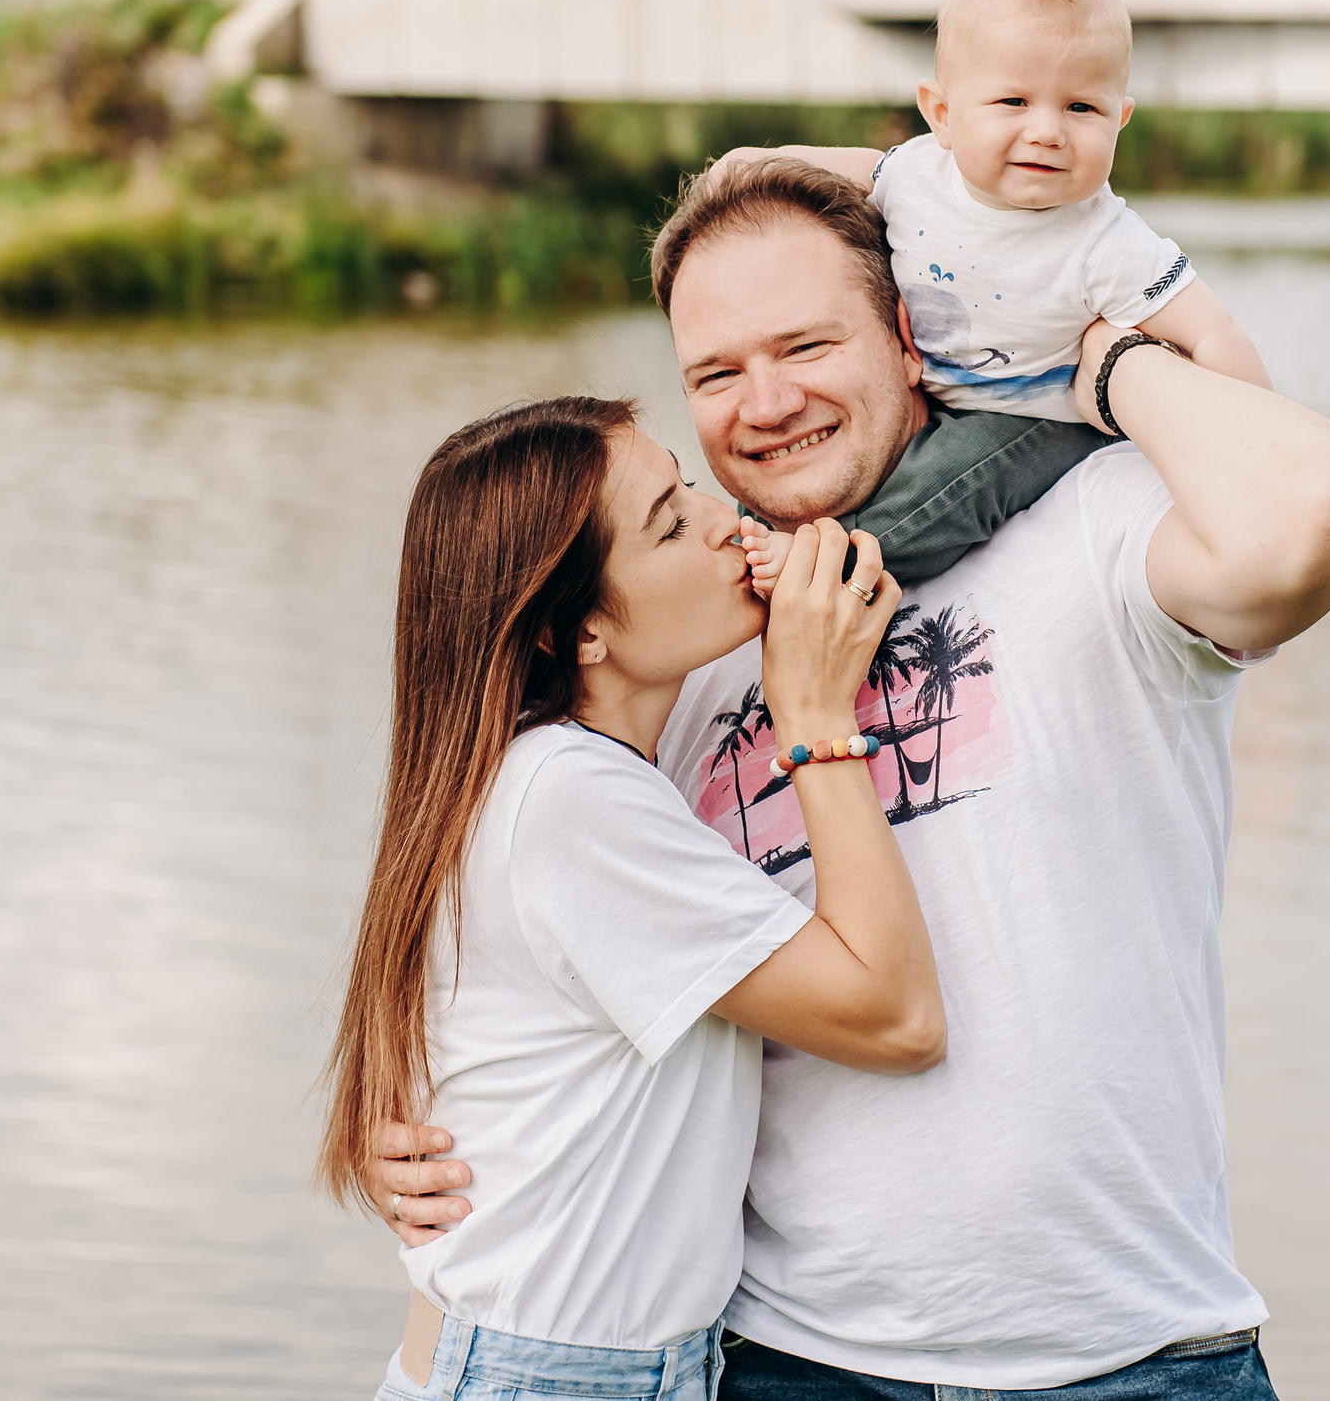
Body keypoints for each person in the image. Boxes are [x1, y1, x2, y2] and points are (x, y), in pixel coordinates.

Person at [369, 160, 1330, 1398]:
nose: (766, 402)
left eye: (806, 343)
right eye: (714, 371)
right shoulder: (686, 632)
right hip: (783, 1357)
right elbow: (506, 924)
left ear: (913, 340)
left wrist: (1097, 359)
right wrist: (440, 1138)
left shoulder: (1091, 527)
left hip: (1128, 1353)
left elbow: (1321, 509)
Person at [318, 396, 948, 1401]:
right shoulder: (573, 796)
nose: (724, 520)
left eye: (687, 483)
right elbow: (896, 1012)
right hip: (551, 1375)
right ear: (582, 631)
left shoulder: (543, 771)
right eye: (668, 521)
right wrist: (818, 722)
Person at [727, 0, 1271, 596]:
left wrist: (1264, 439)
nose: (1047, 131)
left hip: (1031, 416)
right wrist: (757, 163)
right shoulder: (919, 175)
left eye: (1081, 109)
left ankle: (838, 569)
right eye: (1013, 100)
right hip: (926, 390)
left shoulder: (1105, 240)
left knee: (949, 488)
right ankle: (765, 531)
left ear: (1119, 119)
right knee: (804, 457)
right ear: (944, 114)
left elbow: (1212, 331)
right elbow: (859, 169)